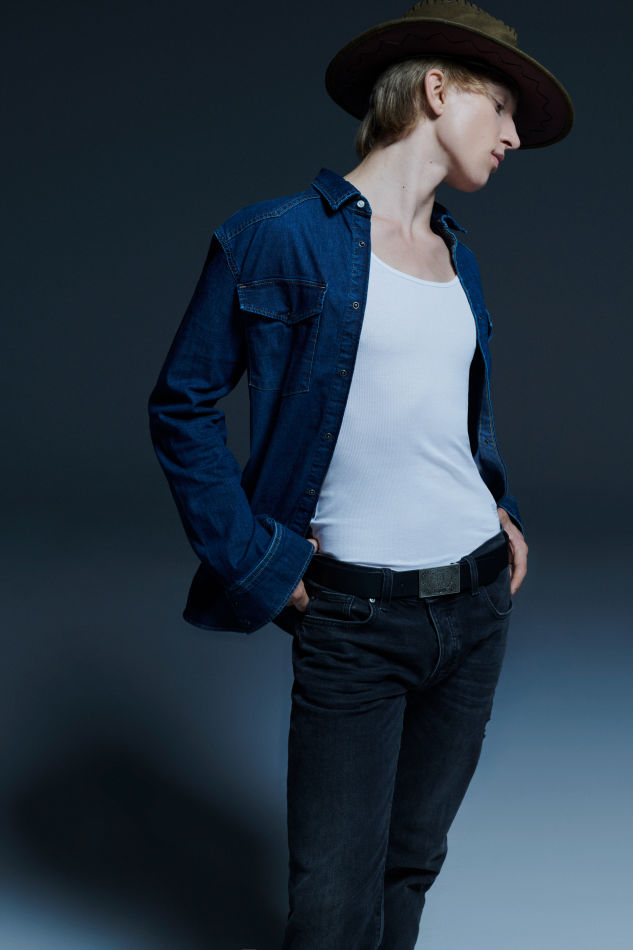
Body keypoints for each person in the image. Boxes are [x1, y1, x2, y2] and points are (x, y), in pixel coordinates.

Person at [148, 2, 573, 946]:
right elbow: (181, 405)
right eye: (501, 107)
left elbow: (441, 420)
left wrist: (495, 508)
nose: (512, 136)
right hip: (352, 621)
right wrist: (256, 563)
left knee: (410, 863)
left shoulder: (456, 257)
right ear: (437, 90)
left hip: (476, 609)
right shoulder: (276, 239)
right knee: (334, 906)